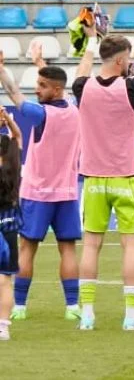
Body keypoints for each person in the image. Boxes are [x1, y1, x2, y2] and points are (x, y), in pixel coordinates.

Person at [72, 6, 134, 331]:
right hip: (126, 176)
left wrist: (90, 40)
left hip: (93, 177)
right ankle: (130, 314)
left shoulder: (83, 88)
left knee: (91, 244)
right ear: (122, 61)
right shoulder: (131, 87)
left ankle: (87, 313)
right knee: (131, 245)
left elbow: (82, 73)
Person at [0, 50, 80, 322]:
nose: (37, 89)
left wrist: (1, 70)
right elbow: (56, 85)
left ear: (56, 89)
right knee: (67, 248)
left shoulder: (44, 114)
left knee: (26, 248)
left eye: (42, 86)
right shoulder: (72, 107)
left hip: (37, 191)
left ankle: (20, 305)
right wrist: (41, 65)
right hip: (67, 191)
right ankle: (72, 306)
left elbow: (16, 98)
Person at [0, 111, 21, 340]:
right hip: (8, 225)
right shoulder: (14, 166)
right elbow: (18, 136)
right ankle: (3, 326)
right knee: (4, 280)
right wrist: (8, 119)